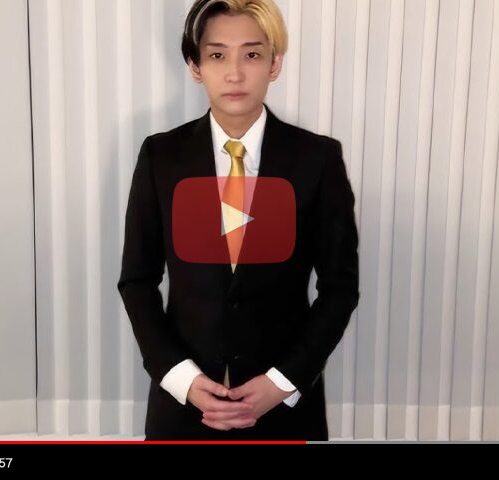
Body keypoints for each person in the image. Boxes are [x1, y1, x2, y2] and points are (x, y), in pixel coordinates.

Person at [118, 0, 358, 440]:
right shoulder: (161, 156)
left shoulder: (317, 159)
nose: (234, 73)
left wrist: (282, 382)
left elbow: (340, 286)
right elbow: (137, 280)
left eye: (251, 54)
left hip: (284, 408)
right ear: (195, 66)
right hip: (183, 408)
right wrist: (182, 379)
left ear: (274, 64)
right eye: (217, 55)